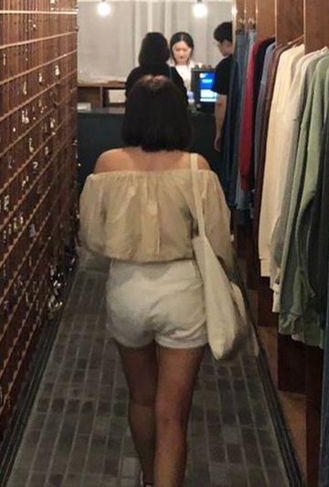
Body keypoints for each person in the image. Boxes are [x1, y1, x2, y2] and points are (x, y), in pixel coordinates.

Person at [78, 75, 236, 487]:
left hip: (127, 289)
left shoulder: (107, 165)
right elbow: (220, 242)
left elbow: (91, 239)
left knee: (141, 399)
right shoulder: (196, 168)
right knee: (172, 413)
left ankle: (149, 477)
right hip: (183, 292)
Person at [211, 22, 234, 150]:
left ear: (225, 42)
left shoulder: (224, 67)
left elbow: (221, 102)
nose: (218, 47)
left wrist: (219, 132)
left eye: (218, 43)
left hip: (230, 126)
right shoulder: (249, 59)